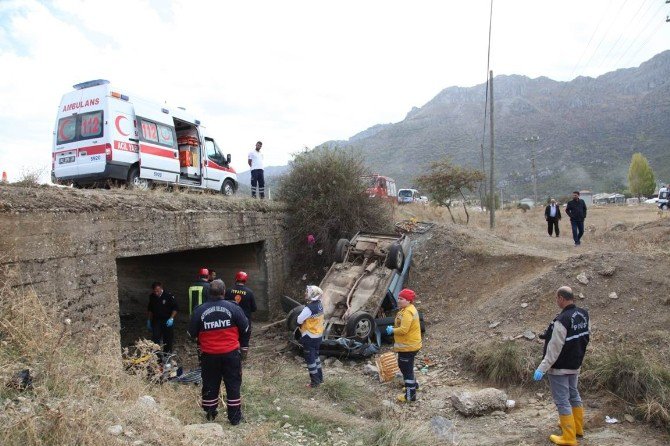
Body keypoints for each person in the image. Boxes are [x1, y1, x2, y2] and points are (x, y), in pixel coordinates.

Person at [533, 286, 590, 446]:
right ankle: (577, 428)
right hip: (575, 363)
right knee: (574, 394)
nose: (556, 301)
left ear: (561, 298)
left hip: (560, 368)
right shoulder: (584, 314)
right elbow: (586, 336)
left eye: (556, 298)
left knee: (562, 401)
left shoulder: (562, 320)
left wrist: (541, 369)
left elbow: (554, 349)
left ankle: (569, 437)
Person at [188, 279, 249, 424]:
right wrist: (242, 345)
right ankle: (235, 419)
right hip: (231, 355)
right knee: (233, 384)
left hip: (209, 356)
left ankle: (210, 415)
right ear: (224, 291)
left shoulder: (199, 310)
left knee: (210, 384)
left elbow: (191, 334)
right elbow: (246, 328)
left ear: (208, 292)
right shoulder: (234, 308)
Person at [385, 288, 422, 402]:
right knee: (408, 368)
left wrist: (393, 330)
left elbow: (404, 330)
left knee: (406, 369)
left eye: (401, 299)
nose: (399, 300)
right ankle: (413, 385)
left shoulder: (408, 312)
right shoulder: (405, 309)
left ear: (408, 300)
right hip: (409, 345)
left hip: (408, 346)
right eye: (399, 298)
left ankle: (410, 396)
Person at [296, 285, 325, 388]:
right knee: (316, 357)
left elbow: (299, 320)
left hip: (309, 337)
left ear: (312, 294)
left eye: (307, 292)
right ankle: (320, 379)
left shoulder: (309, 308)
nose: (305, 293)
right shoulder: (319, 305)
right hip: (318, 336)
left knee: (310, 360)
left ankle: (314, 382)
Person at [225, 271, 257, 357]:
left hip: (231, 319)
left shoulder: (228, 291)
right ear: (245, 280)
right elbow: (254, 308)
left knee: (232, 336)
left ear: (236, 279)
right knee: (245, 338)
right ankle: (243, 357)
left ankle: (233, 353)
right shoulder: (249, 292)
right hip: (245, 319)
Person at [146, 281, 178, 353]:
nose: (156, 293)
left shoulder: (168, 296)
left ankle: (167, 356)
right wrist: (148, 320)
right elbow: (150, 309)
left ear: (161, 288)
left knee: (168, 340)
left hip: (167, 320)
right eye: (155, 291)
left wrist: (171, 318)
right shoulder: (152, 297)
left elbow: (175, 308)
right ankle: (156, 358)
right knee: (155, 339)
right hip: (156, 320)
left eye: (158, 291)